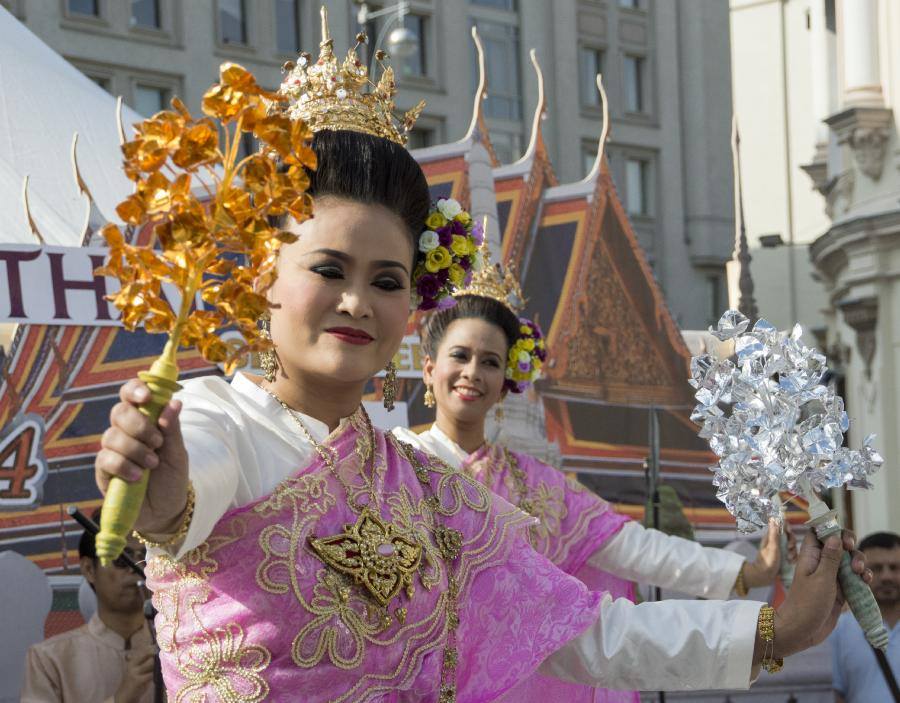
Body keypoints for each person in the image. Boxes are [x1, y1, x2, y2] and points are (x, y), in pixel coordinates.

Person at [95, 8, 867, 701]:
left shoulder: (442, 498)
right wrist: (159, 494)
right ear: (267, 277)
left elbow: (590, 631)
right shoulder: (216, 417)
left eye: (386, 280)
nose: (358, 300)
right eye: (329, 270)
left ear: (412, 311)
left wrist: (776, 628)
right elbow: (183, 496)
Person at [392, 251, 798, 702]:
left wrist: (745, 570)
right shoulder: (393, 465)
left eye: (490, 362)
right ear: (430, 369)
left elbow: (633, 548)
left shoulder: (535, 484)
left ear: (506, 378)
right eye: (460, 356)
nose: (472, 372)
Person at [20, 510, 156, 703]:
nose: (134, 568)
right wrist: (122, 698)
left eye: (144, 558)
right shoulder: (49, 659)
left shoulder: (176, 651)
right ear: (89, 569)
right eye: (120, 559)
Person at [830, 531, 900, 703]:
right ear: (858, 571)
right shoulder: (838, 629)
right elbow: (836, 695)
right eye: (876, 568)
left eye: (894, 567)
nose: (886, 576)